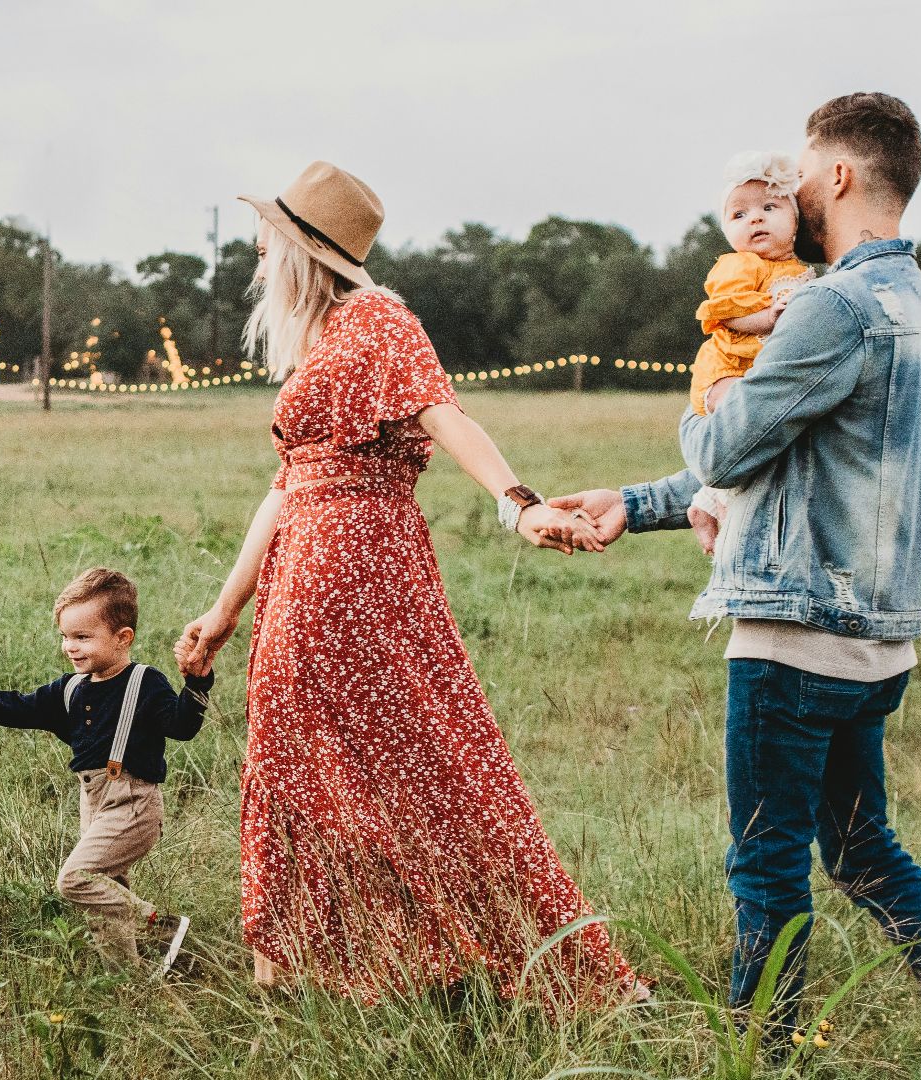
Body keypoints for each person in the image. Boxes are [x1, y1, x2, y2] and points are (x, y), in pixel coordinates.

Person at [552, 94, 921, 1078]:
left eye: (806, 175)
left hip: (792, 640)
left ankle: (758, 1063)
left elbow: (731, 442)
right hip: (878, 643)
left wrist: (713, 395)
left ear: (844, 177)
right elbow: (790, 461)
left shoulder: (832, 304)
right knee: (865, 854)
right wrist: (636, 502)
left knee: (766, 869)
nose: (794, 192)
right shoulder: (917, 308)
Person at [175, 161, 638, 1005]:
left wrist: (518, 504)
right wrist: (223, 609)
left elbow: (445, 412)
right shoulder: (318, 340)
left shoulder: (378, 320)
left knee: (423, 761)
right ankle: (313, 968)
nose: (253, 250)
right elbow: (285, 487)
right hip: (305, 571)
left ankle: (486, 959)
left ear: (303, 249)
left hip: (355, 571)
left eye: (266, 237)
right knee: (302, 765)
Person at [0, 568, 209, 975]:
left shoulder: (145, 682)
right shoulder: (69, 689)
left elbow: (183, 727)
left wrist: (197, 683)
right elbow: (17, 707)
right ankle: (130, 984)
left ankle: (160, 926)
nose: (70, 646)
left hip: (134, 804)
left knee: (76, 879)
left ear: (123, 638)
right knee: (104, 898)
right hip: (94, 803)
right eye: (65, 636)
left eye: (83, 637)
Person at [686, 151, 814, 548]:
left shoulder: (799, 271)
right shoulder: (739, 265)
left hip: (756, 372)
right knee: (742, 429)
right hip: (726, 369)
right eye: (738, 215)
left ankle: (707, 502)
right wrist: (769, 317)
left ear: (795, 219)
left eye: (769, 207)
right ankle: (714, 504)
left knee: (763, 438)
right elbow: (727, 314)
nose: (754, 219)